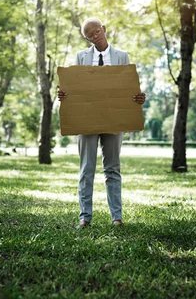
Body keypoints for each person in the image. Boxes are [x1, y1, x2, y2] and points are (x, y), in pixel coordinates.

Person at [57, 17, 146, 228]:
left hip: (114, 121)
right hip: (86, 120)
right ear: (87, 39)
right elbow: (74, 89)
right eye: (90, 36)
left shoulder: (122, 57)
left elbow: (129, 89)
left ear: (104, 29)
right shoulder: (81, 57)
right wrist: (64, 95)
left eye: (97, 32)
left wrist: (139, 97)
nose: (95, 37)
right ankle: (84, 218)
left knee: (112, 169)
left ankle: (117, 217)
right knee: (86, 169)